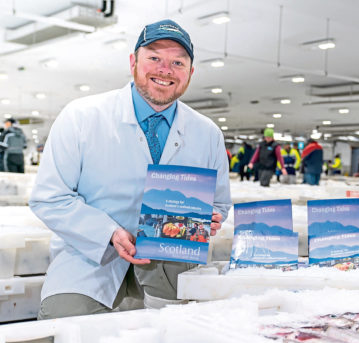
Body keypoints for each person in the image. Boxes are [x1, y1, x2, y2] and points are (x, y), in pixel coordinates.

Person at [28, 20, 232, 319]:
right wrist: (109, 232)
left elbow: (219, 203)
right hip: (91, 257)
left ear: (190, 72)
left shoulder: (207, 133)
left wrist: (210, 218)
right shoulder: (82, 117)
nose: (165, 70)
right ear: (133, 62)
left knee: (180, 340)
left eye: (177, 62)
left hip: (171, 261)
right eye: (154, 58)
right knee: (66, 333)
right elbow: (49, 197)